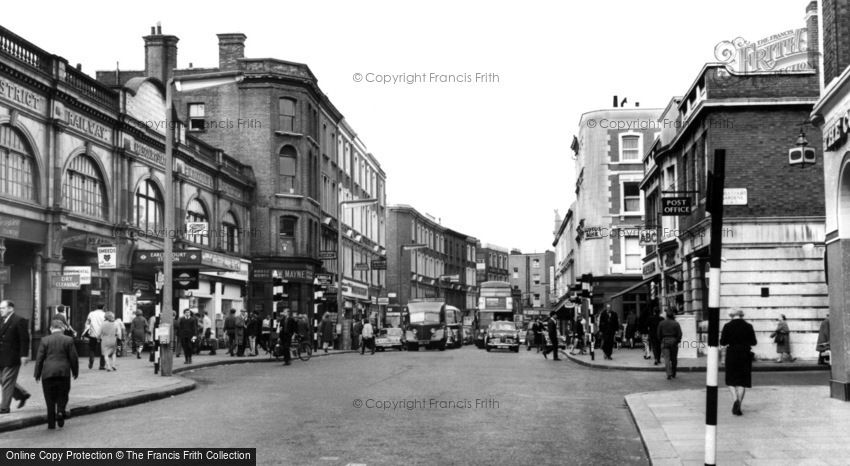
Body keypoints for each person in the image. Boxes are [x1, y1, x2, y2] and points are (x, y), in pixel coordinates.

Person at [33, 319, 79, 429]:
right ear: (63, 328)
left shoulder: (45, 340)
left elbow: (39, 359)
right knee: (63, 394)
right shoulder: (68, 339)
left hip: (48, 373)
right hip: (63, 372)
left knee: (49, 398)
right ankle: (60, 411)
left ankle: (51, 423)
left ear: (51, 328)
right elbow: (73, 358)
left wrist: (37, 373)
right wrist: (75, 371)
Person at [720, 309, 757, 416]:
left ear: (731, 316)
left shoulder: (727, 326)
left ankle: (735, 399)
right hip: (745, 354)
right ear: (741, 315)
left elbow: (723, 342)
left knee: (731, 380)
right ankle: (739, 404)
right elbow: (754, 342)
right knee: (742, 381)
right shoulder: (748, 326)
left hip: (732, 354)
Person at [0, 300, 31, 414]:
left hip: (12, 356)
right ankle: (22, 395)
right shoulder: (2, 320)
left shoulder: (19, 320)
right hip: (1, 356)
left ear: (11, 309)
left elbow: (24, 339)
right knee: (3, 380)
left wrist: (24, 355)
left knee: (7, 380)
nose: (0, 310)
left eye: (3, 308)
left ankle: (4, 407)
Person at [658, 310, 682, 380]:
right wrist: (677, 341)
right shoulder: (676, 323)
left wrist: (661, 340)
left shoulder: (661, 323)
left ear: (666, 316)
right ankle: (674, 373)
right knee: (674, 358)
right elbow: (680, 334)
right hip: (673, 341)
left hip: (665, 341)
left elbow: (658, 334)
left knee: (667, 359)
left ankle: (668, 373)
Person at [82, 304, 106, 370]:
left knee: (92, 349)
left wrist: (87, 330)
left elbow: (87, 323)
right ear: (103, 307)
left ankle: (91, 360)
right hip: (102, 335)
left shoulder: (91, 314)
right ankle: (102, 365)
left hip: (93, 334)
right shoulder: (105, 314)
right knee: (103, 350)